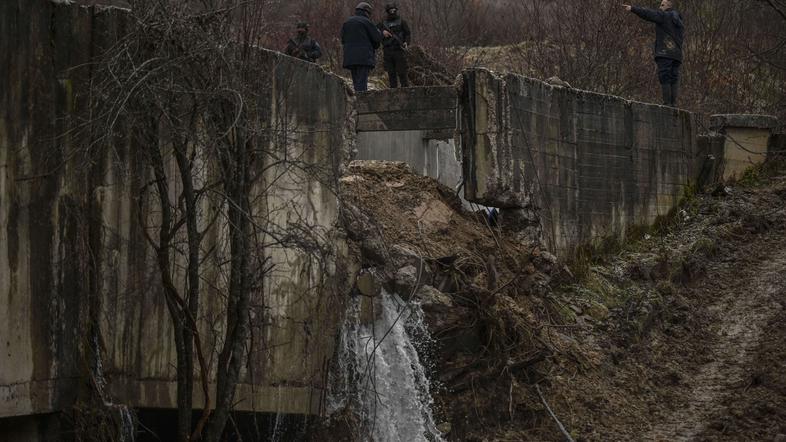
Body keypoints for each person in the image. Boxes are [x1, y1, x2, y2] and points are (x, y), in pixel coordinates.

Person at [624, 1, 684, 107]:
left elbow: (647, 13)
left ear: (668, 6)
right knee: (674, 77)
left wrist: (632, 8)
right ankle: (673, 104)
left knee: (664, 77)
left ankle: (667, 104)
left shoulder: (663, 16)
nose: (660, 7)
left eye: (662, 5)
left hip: (665, 53)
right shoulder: (679, 21)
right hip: (677, 55)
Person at [341, 2, 383, 92]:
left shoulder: (347, 22)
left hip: (350, 57)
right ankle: (361, 103)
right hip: (364, 57)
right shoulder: (367, 22)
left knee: (356, 82)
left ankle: (356, 101)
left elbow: (343, 39)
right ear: (367, 12)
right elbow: (377, 38)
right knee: (362, 83)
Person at [378, 2, 411, 88]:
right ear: (387, 11)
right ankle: (393, 94)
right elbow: (375, 31)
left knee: (402, 73)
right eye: (390, 10)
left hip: (399, 50)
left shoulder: (402, 21)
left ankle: (406, 92)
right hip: (387, 51)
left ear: (396, 10)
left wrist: (406, 42)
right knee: (391, 74)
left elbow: (408, 34)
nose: (392, 12)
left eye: (394, 10)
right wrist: (382, 32)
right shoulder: (382, 23)